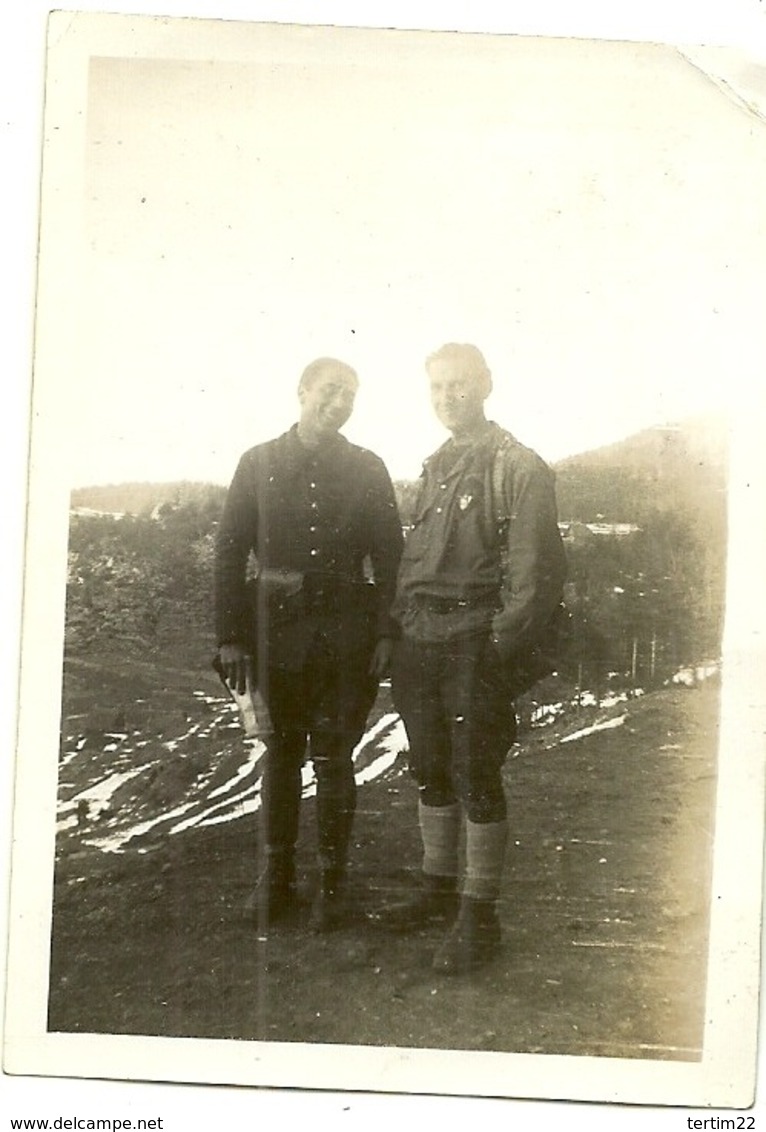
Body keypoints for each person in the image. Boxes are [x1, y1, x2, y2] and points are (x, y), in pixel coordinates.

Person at [384, 342, 567, 974]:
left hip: (473, 644)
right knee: (431, 765)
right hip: (421, 641)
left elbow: (534, 576)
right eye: (436, 387)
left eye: (458, 385)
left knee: (474, 772)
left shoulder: (516, 467)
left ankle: (479, 916)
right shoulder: (435, 465)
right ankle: (438, 889)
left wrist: (496, 652)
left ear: (486, 384)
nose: (446, 397)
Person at [214, 357, 403, 931]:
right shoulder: (258, 463)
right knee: (281, 754)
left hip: (348, 640)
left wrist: (388, 630)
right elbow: (228, 551)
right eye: (328, 391)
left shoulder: (368, 469)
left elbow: (393, 557)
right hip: (275, 637)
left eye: (349, 394)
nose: (338, 402)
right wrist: (230, 639)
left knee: (335, 758)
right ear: (301, 392)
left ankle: (333, 884)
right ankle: (275, 880)